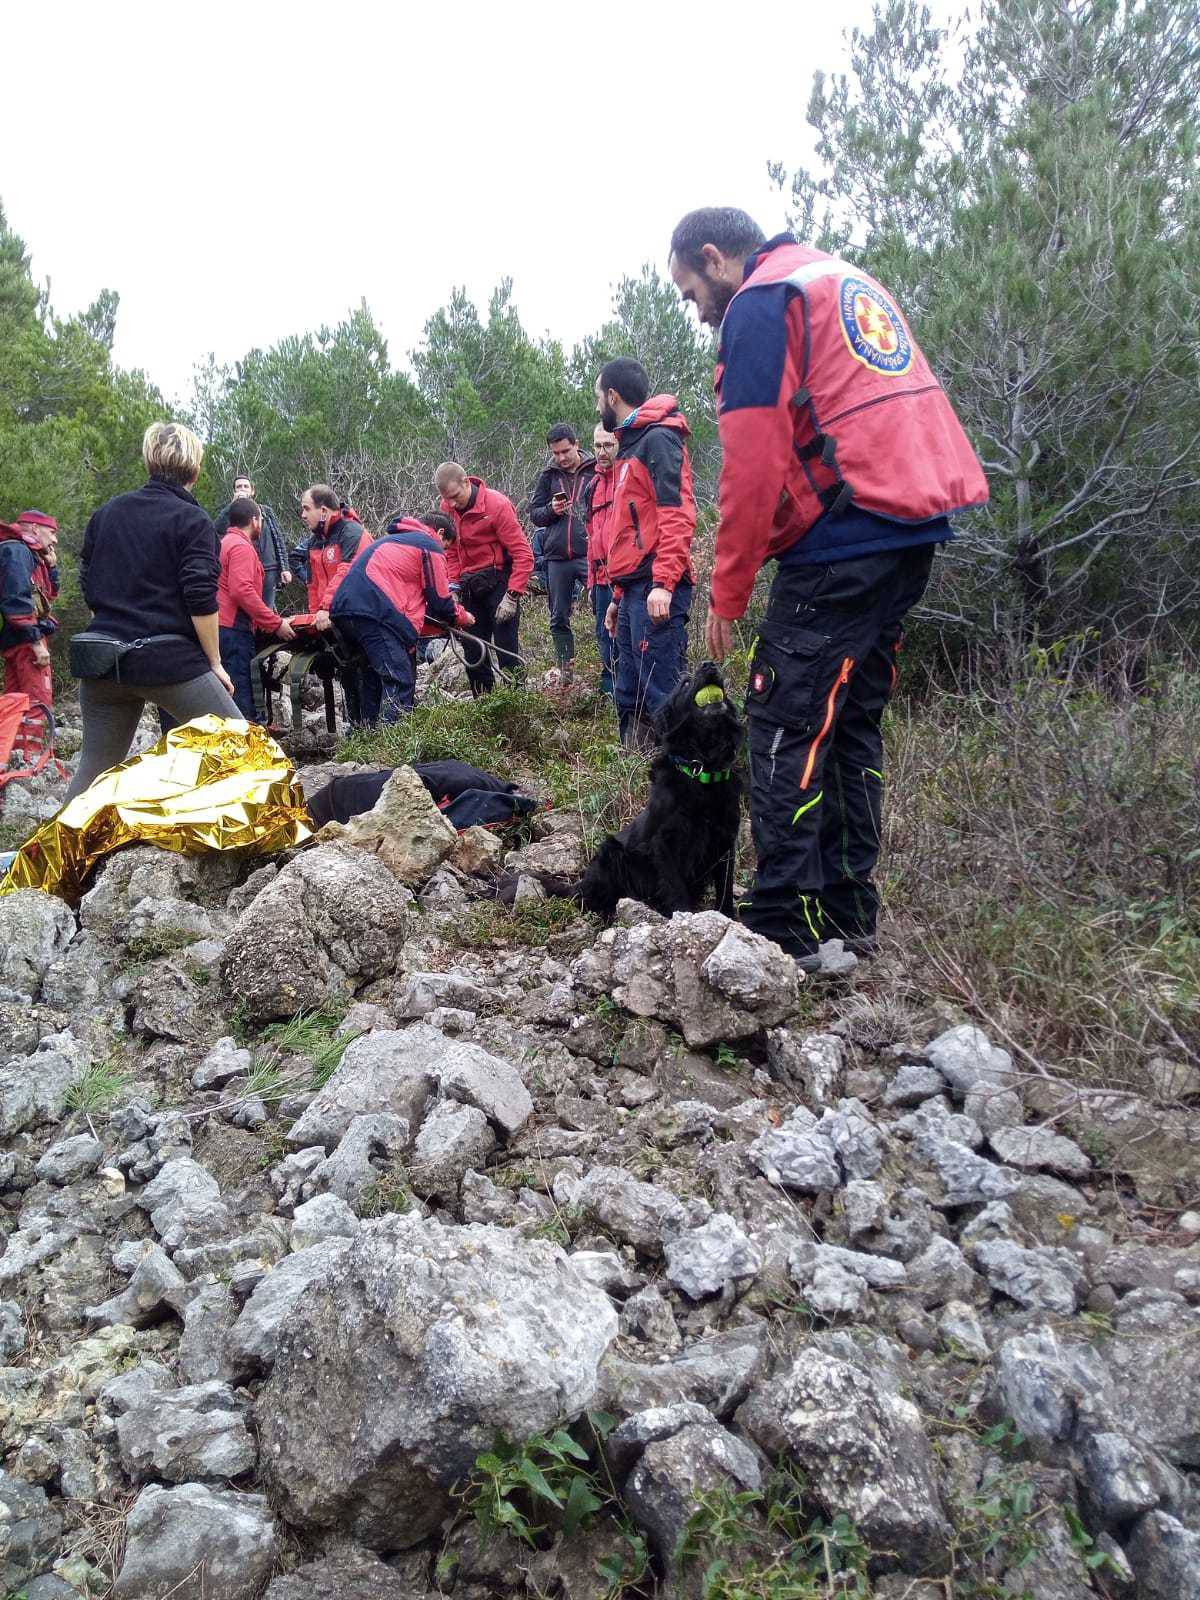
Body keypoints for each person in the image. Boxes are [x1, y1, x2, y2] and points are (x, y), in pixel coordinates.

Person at [668, 206, 988, 969]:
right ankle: (849, 914)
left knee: (783, 722)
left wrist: (729, 589)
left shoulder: (761, 301)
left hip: (843, 536)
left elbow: (753, 461)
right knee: (848, 726)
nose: (697, 309)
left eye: (689, 292)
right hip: (909, 526)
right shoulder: (838, 277)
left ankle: (786, 925)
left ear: (715, 259)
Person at [63, 421, 242, 802]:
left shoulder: (107, 513)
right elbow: (200, 597)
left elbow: (88, 581)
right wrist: (214, 661)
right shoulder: (193, 520)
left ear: (148, 463)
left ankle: (48, 861)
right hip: (167, 662)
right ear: (195, 470)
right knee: (238, 746)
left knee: (92, 772)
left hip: (102, 662)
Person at [594, 358, 696, 748]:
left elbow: (677, 514)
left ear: (613, 396)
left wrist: (665, 583)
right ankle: (635, 786)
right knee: (630, 693)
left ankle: (681, 787)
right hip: (635, 589)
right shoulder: (630, 445)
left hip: (657, 588)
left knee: (663, 695)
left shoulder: (658, 439)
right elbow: (631, 530)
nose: (597, 405)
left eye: (598, 396)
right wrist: (617, 598)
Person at [330, 514, 474, 724]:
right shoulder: (429, 545)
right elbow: (440, 602)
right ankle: (391, 748)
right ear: (440, 533)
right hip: (374, 612)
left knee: (372, 678)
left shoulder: (394, 541)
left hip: (346, 611)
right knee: (399, 679)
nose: (444, 552)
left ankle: (366, 739)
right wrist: (462, 617)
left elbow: (408, 605)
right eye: (446, 547)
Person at [435, 463, 533, 697]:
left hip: (498, 580)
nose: (452, 504)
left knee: (505, 648)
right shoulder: (447, 509)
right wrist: (453, 586)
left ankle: (517, 703)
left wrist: (512, 596)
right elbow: (450, 552)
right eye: (447, 499)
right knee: (473, 650)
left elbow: (523, 554)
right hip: (469, 585)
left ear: (466, 483)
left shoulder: (497, 505)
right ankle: (484, 705)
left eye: (456, 496)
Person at [217, 497, 295, 720]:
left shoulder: (226, 543)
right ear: (254, 520)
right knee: (241, 693)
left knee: (229, 694)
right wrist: (275, 623)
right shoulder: (241, 547)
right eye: (261, 518)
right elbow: (241, 590)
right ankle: (246, 747)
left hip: (222, 628)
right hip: (233, 630)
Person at [528, 424, 595, 679]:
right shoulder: (548, 475)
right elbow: (535, 514)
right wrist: (551, 510)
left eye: (565, 451)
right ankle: (567, 673)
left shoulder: (594, 470)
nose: (561, 457)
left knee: (605, 609)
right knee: (558, 617)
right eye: (556, 453)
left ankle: (611, 671)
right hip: (556, 557)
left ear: (577, 444)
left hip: (589, 553)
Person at [0, 509, 60, 704]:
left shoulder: (26, 553)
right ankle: (34, 735)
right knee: (37, 705)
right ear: (35, 528)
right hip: (26, 642)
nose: (55, 540)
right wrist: (36, 643)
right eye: (51, 532)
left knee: (16, 706)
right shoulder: (17, 551)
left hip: (18, 640)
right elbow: (16, 599)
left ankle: (11, 736)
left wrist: (52, 568)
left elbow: (48, 597)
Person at [296, 485, 372, 629]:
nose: (303, 515)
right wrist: (315, 618)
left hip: (361, 618)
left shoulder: (352, 532)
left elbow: (347, 572)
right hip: (333, 618)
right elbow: (313, 585)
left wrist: (325, 607)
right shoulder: (315, 542)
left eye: (307, 508)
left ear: (323, 511)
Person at [215, 474, 292, 608]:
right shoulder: (230, 513)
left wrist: (284, 568)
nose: (242, 489)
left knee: (266, 608)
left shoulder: (265, 511)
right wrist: (231, 506)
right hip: (243, 569)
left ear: (252, 491)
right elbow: (217, 530)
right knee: (246, 609)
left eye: (246, 486)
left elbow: (278, 538)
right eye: (239, 487)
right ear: (234, 491)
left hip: (268, 568)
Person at [586, 425, 618, 698]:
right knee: (603, 636)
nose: (601, 452)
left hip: (626, 578)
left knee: (626, 639)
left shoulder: (629, 478)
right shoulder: (593, 485)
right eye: (597, 446)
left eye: (608, 445)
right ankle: (609, 693)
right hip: (600, 578)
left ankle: (627, 695)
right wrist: (590, 582)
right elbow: (591, 537)